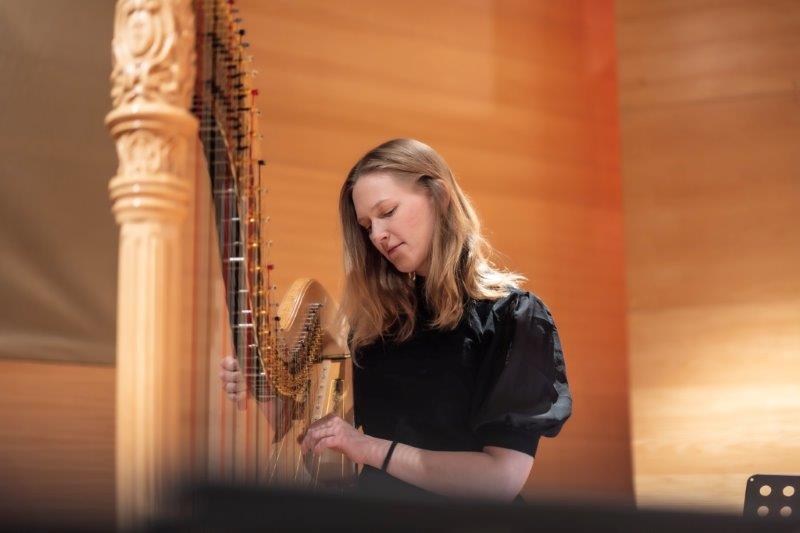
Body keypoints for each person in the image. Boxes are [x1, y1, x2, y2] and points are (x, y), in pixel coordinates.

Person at [220, 138, 572, 501]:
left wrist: (370, 449)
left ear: (440, 196)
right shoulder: (378, 326)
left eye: (387, 212)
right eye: (366, 225)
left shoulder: (513, 318)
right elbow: (326, 448)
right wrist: (263, 388)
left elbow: (500, 481)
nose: (377, 235)